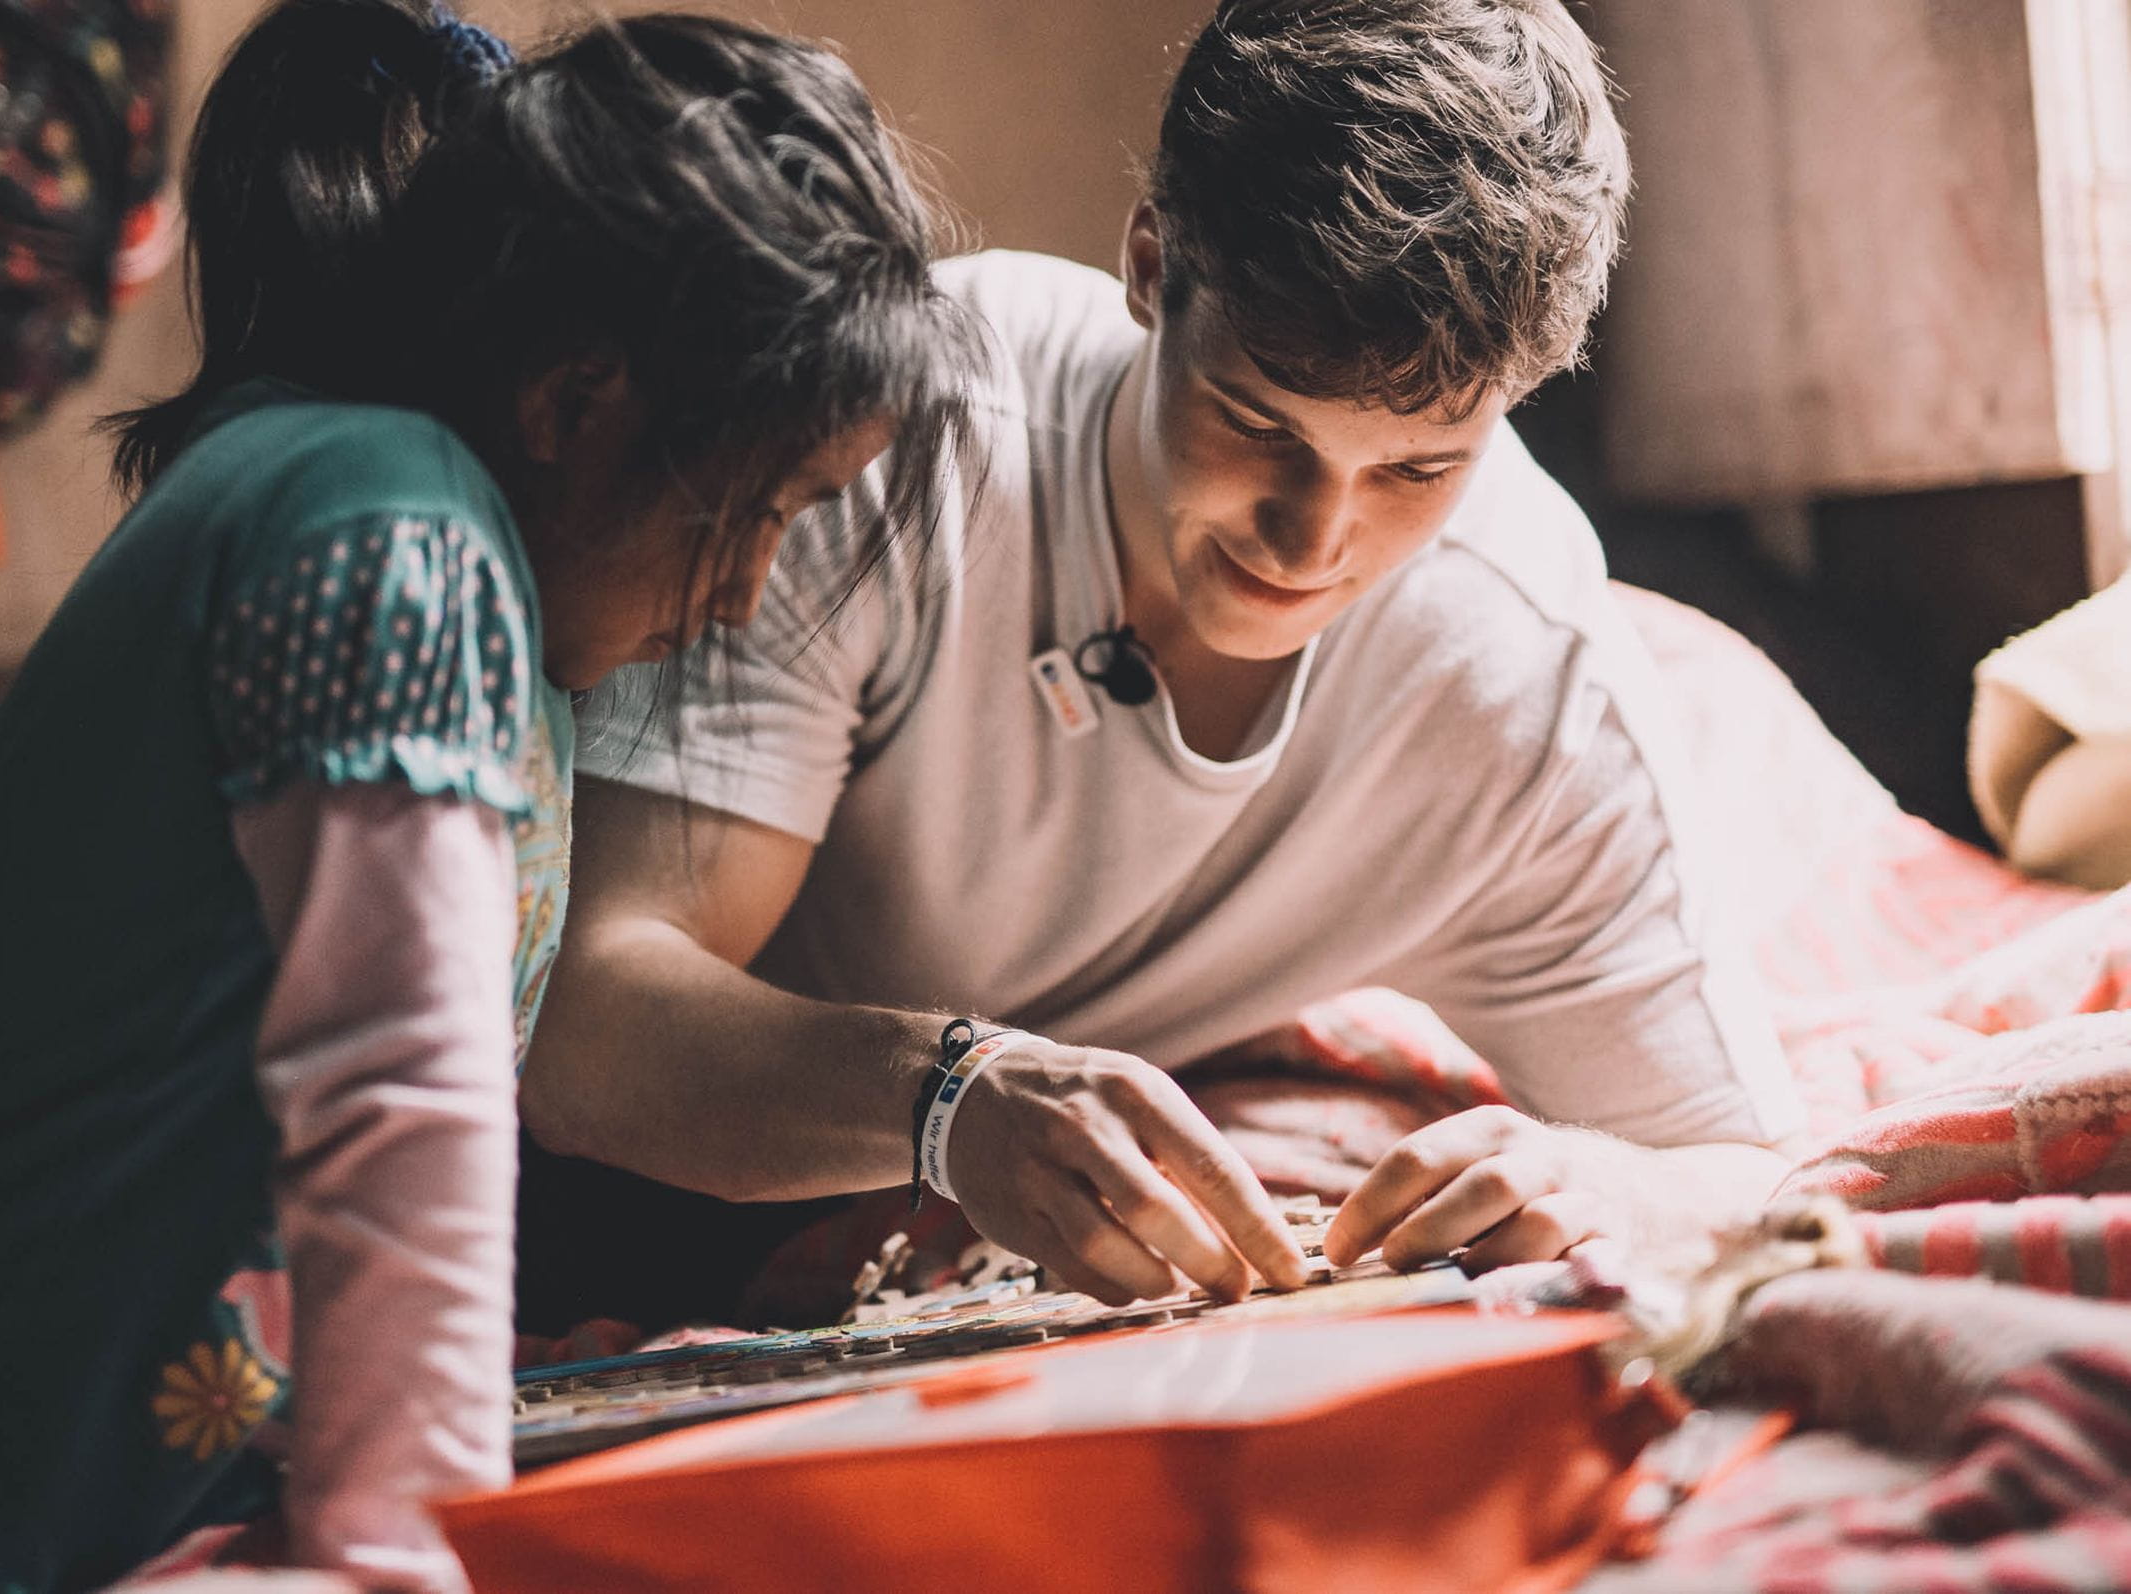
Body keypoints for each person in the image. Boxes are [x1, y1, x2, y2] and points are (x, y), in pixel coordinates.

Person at [0, 3, 970, 1590]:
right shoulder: (395, 540)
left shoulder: (452, 570)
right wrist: (400, 1551)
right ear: (577, 403)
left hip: (9, 1506)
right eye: (753, 513)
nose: (746, 595)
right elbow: (398, 1111)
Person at [517, 0, 1809, 1332]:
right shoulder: (896, 444)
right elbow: (585, 1022)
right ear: (1149, 263)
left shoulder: (1520, 676)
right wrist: (949, 1095)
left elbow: (1748, 1166)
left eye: (1418, 469)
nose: (1316, 539)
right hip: (651, 1194)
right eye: (1259, 424)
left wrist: (1604, 1182)